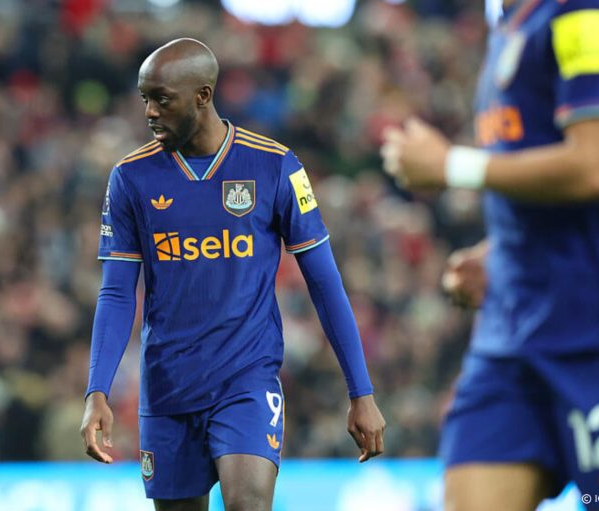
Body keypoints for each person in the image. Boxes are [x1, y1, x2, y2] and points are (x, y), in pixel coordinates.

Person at [80, 38, 386, 511]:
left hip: (246, 379)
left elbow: (324, 283)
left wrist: (360, 391)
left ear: (203, 96)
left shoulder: (274, 165)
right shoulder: (131, 177)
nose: (150, 112)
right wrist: (97, 390)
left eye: (162, 99)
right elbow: (118, 292)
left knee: (247, 503)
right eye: (145, 99)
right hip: (168, 386)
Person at [381, 1, 599, 510]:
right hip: (509, 342)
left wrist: (453, 166)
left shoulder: (584, 13)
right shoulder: (512, 23)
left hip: (597, 338)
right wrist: (507, 255)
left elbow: (598, 166)